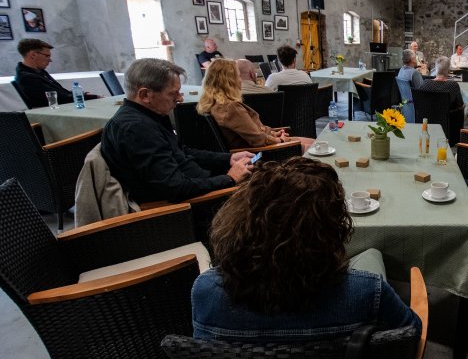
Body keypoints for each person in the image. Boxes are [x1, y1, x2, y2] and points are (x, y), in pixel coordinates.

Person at [193, 157, 421, 342]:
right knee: (371, 257)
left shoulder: (206, 292)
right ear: (332, 228)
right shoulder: (368, 291)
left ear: (239, 220)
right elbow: (411, 333)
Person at [101, 58, 253, 204]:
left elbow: (182, 152)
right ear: (145, 95)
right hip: (187, 209)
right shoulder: (137, 129)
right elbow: (175, 189)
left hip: (200, 189)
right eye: (173, 93)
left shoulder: (151, 117)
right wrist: (229, 179)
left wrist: (227, 159)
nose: (180, 99)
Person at [197, 60, 312, 151]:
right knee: (317, 146)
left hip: (260, 146)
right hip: (264, 152)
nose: (240, 81)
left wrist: (272, 133)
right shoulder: (230, 108)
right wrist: (280, 140)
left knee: (314, 143)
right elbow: (258, 139)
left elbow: (252, 131)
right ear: (229, 81)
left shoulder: (215, 104)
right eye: (238, 76)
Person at [14, 38, 98, 108]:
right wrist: (93, 97)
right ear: (33, 55)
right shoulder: (27, 78)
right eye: (47, 56)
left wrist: (82, 94)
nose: (50, 60)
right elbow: (58, 99)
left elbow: (61, 92)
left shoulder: (39, 71)